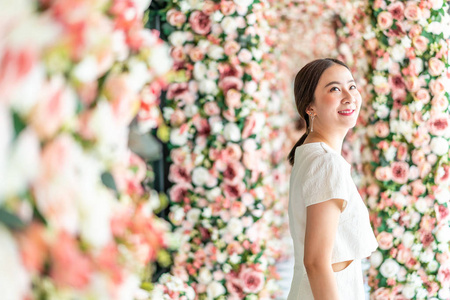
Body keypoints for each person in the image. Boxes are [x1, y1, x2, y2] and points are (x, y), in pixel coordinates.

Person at [287, 58, 378, 300]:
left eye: (352, 86)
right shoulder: (326, 162)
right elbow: (316, 262)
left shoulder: (309, 153)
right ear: (310, 107)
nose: (349, 97)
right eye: (335, 89)